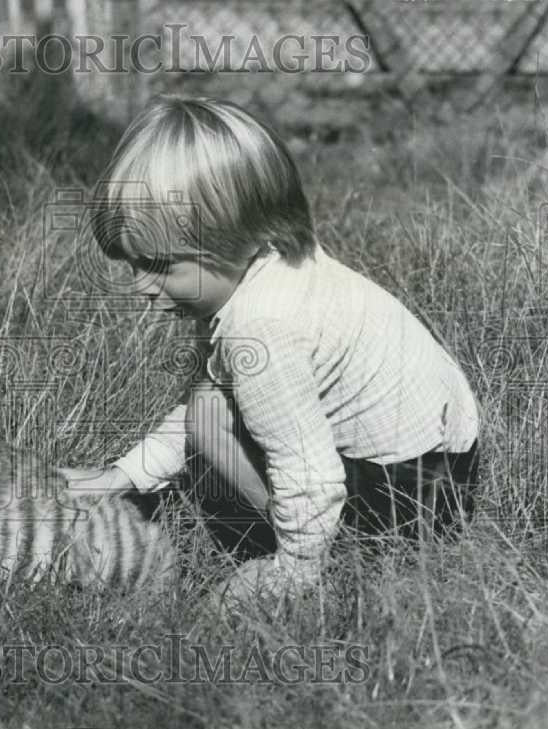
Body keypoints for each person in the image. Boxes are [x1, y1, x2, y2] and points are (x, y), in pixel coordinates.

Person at [64, 95, 480, 603]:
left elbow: (307, 469)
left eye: (159, 265)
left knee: (209, 416)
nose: (141, 286)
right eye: (131, 265)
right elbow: (215, 390)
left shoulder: (262, 326)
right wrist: (123, 475)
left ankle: (317, 556)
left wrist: (293, 571)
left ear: (235, 237)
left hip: (410, 497)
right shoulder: (267, 269)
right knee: (210, 406)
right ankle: (319, 542)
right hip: (446, 465)